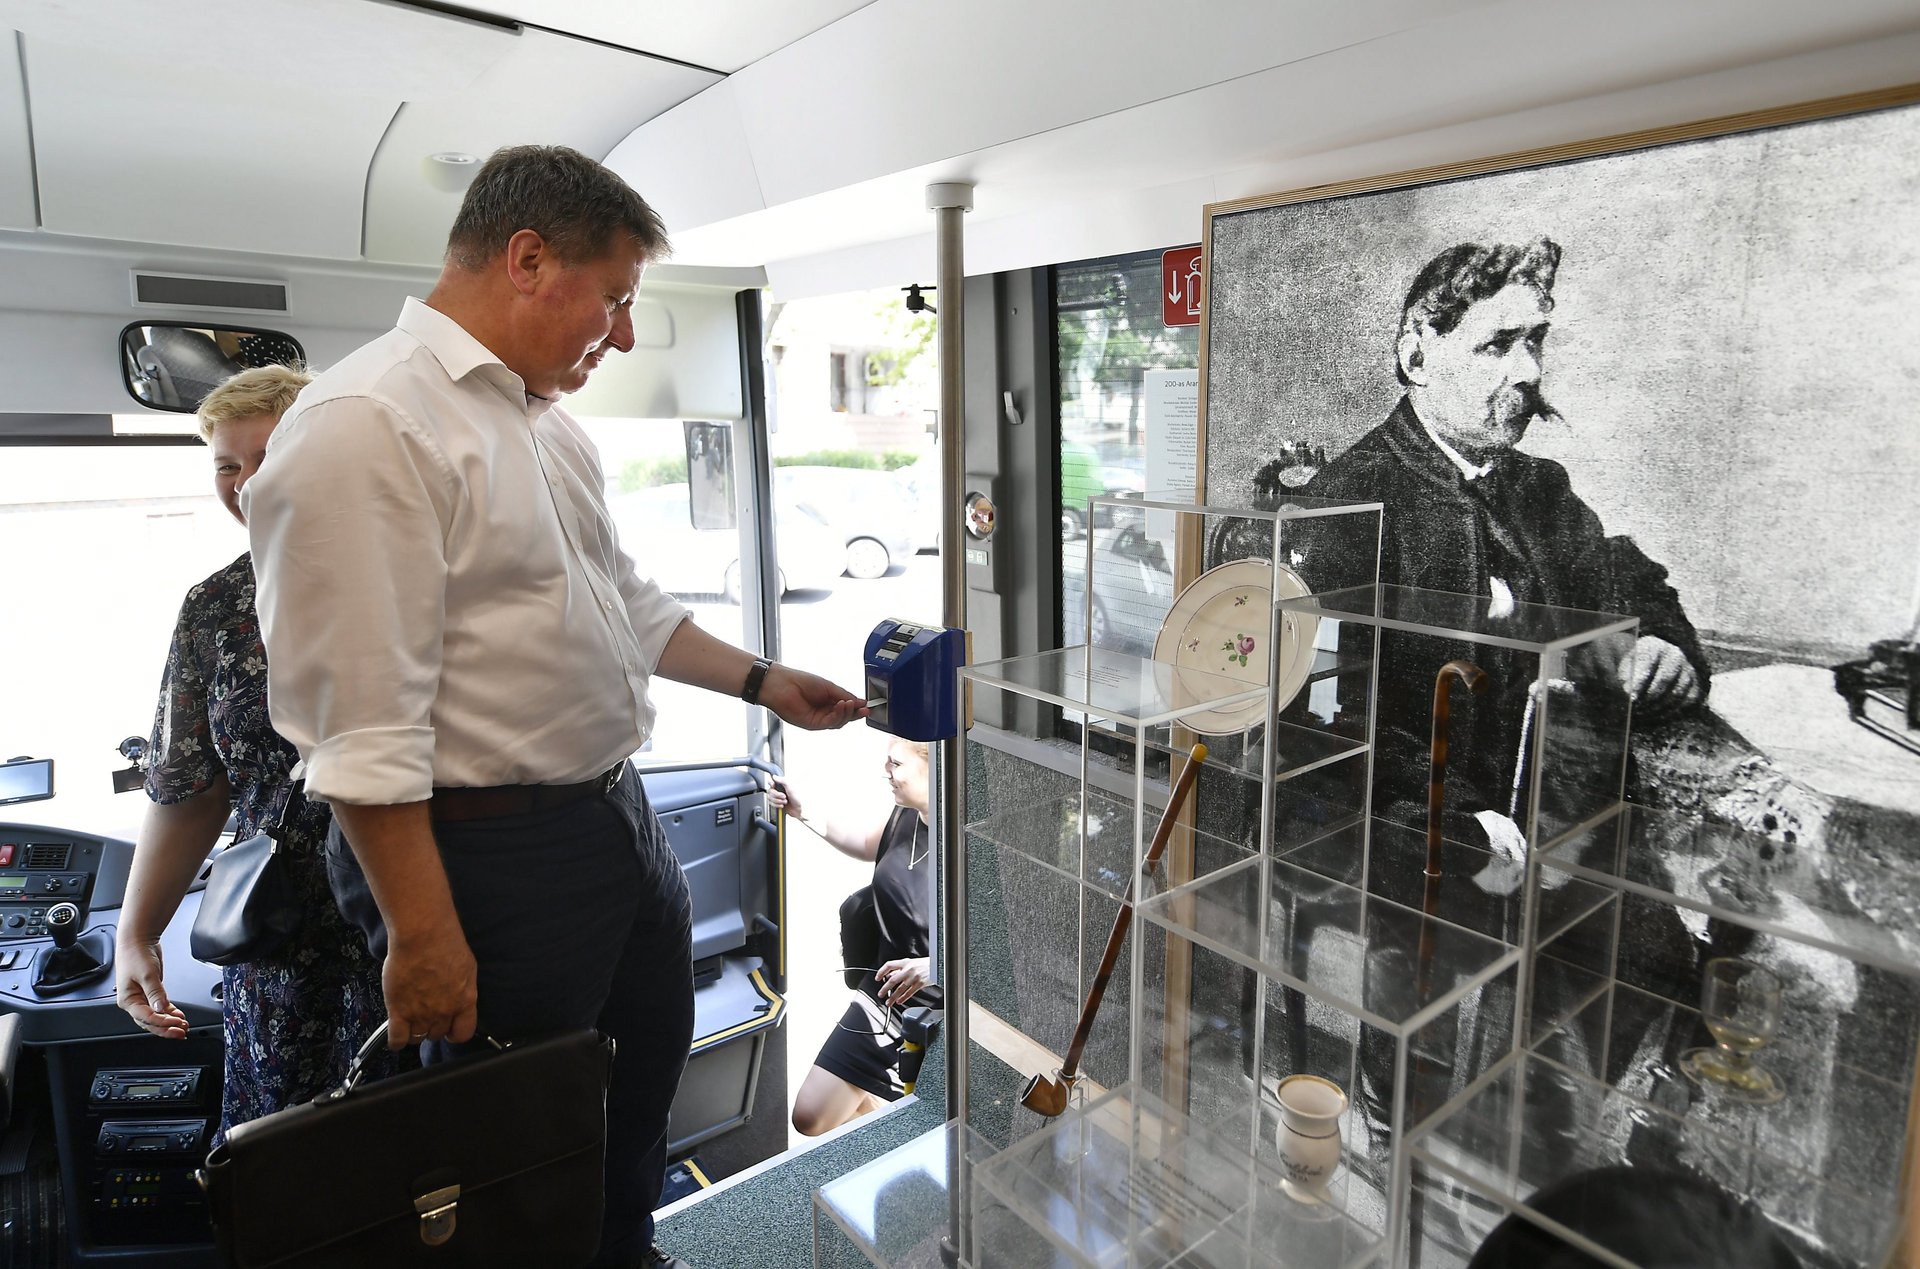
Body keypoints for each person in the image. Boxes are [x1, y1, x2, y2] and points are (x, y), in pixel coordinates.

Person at [242, 145, 865, 1269]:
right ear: (528, 259)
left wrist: (764, 681)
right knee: (512, 1157)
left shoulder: (544, 424)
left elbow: (624, 601)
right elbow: (361, 726)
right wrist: (423, 934)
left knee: (633, 1099)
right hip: (482, 859)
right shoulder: (366, 422)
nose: (621, 335)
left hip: (611, 821)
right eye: (615, 299)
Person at [1302, 237, 1711, 861]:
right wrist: (1452, 819)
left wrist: (1662, 643)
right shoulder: (1344, 504)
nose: (1530, 372)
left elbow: (1622, 579)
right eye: (1497, 345)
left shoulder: (1541, 488)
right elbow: (1324, 715)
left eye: (1534, 341)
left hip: (1555, 828)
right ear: (1417, 356)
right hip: (1419, 846)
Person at [115, 365, 398, 1142]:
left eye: (268, 457)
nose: (244, 483)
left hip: (411, 915)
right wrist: (137, 933)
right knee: (282, 1162)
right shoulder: (214, 608)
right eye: (226, 464)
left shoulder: (414, 574)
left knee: (418, 1155)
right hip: (280, 943)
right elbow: (188, 789)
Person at [769, 740, 934, 1136]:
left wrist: (936, 965)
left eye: (895, 763)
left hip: (938, 1004)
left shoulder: (967, 840)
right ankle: (887, 1121)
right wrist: (802, 810)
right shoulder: (906, 815)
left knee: (917, 1122)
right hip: (885, 991)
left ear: (932, 766)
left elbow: (990, 942)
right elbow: (865, 844)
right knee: (810, 1117)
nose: (886, 771)